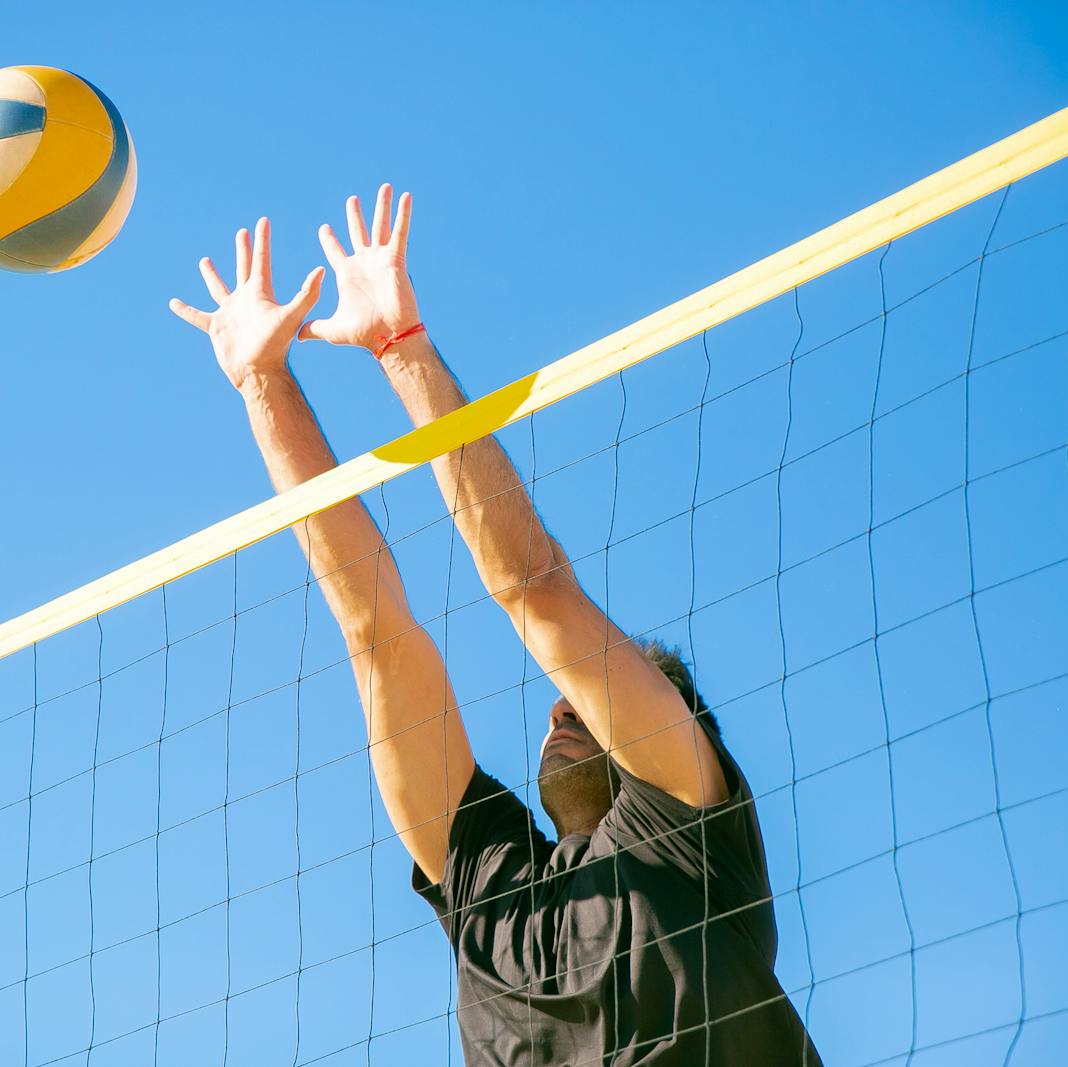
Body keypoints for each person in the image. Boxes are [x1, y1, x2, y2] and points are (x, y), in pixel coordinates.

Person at [169, 186, 821, 1066]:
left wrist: (404, 352)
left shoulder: (685, 829)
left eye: (583, 704)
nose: (560, 712)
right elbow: (372, 626)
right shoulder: (487, 888)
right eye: (559, 705)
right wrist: (263, 382)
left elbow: (535, 589)